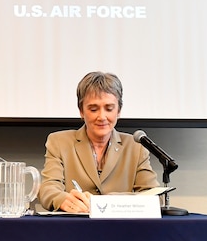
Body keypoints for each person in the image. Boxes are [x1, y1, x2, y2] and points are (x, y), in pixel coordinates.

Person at [38, 71, 159, 213]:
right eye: (93, 109)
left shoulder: (136, 147)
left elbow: (154, 196)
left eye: (109, 108)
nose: (102, 117)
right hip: (75, 228)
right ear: (81, 111)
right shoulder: (59, 142)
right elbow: (48, 189)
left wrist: (104, 201)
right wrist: (63, 200)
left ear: (118, 111)